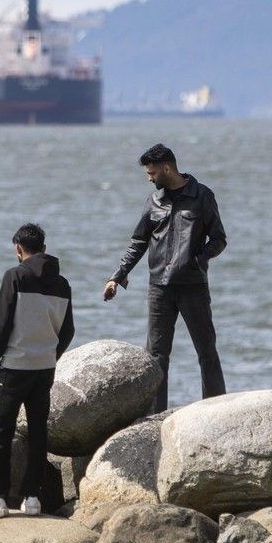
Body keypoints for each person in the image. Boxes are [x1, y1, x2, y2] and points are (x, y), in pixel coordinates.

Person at [103, 143, 227, 412]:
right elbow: (138, 242)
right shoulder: (153, 201)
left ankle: (216, 410)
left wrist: (197, 260)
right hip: (159, 288)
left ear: (167, 168)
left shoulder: (202, 196)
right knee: (157, 357)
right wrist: (117, 276)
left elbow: (219, 239)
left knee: (207, 353)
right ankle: (154, 417)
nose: (149, 178)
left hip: (193, 286)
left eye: (152, 173)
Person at [0, 223, 74, 519]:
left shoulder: (14, 276)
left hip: (12, 368)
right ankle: (32, 499)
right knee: (38, 433)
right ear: (44, 248)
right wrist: (51, 354)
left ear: (18, 249)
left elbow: (1, 323)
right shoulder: (63, 284)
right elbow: (68, 331)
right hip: (44, 369)